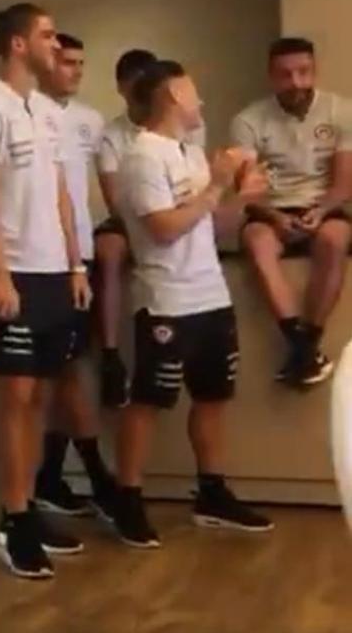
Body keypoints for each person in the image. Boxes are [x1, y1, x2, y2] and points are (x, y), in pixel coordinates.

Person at [111, 60, 275, 546]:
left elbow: (212, 225)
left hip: (211, 294)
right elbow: (163, 228)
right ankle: (127, 499)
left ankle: (212, 494)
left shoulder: (194, 152)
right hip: (166, 298)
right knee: (149, 400)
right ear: (173, 96)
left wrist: (242, 198)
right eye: (193, 91)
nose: (200, 101)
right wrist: (218, 185)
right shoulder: (142, 156)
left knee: (213, 396)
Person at [0, 4, 90, 580]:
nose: (55, 44)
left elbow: (61, 194)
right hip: (10, 271)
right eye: (46, 34)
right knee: (15, 397)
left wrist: (75, 264)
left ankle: (29, 507)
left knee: (41, 398)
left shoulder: (46, 110)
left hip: (54, 271)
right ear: (17, 44)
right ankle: (13, 520)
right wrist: (0, 273)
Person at [232, 37, 352, 387]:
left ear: (314, 71)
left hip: (324, 206)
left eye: (304, 72)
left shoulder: (341, 111)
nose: (296, 82)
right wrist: (275, 217)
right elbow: (246, 192)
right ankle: (300, 346)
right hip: (271, 209)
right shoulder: (248, 121)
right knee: (257, 242)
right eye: (285, 74)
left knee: (335, 239)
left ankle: (306, 343)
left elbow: (344, 184)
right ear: (271, 76)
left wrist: (321, 211)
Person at [34, 34, 120, 519]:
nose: (76, 70)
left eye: (81, 63)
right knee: (59, 371)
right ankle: (90, 475)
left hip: (81, 254)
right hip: (45, 260)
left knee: (70, 367)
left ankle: (51, 476)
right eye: (67, 62)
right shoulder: (27, 113)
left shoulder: (90, 120)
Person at [93, 49, 167, 410]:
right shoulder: (111, 135)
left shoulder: (178, 128)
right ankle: (110, 356)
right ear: (122, 88)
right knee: (109, 250)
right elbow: (114, 199)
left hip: (171, 216)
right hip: (130, 219)